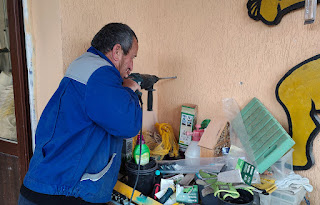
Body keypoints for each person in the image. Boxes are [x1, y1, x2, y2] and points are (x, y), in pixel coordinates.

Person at [18, 23, 142, 205]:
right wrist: (130, 90)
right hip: (62, 194)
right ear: (116, 51)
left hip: (42, 186)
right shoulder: (100, 75)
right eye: (131, 57)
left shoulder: (83, 64)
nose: (131, 66)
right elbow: (128, 124)